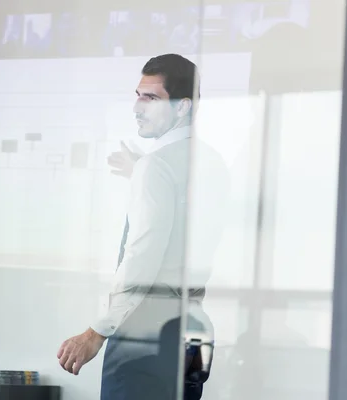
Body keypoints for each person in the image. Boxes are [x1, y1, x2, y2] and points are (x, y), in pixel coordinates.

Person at [57, 54, 230, 399]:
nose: (137, 107)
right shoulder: (211, 161)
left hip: (144, 338)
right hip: (192, 332)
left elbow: (142, 258)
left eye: (151, 97)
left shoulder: (156, 168)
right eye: (138, 94)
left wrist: (96, 332)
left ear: (182, 107)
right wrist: (142, 172)